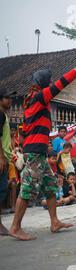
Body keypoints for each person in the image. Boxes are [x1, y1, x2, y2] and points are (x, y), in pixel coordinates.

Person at [9, 55, 76, 240]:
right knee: (27, 189)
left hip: (37, 152)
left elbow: (25, 130)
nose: (51, 84)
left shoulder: (31, 101)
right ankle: (16, 227)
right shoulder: (40, 97)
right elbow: (62, 82)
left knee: (50, 186)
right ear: (43, 84)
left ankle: (54, 221)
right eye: (48, 82)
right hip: (34, 153)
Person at [0, 89, 15, 235]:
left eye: (10, 98)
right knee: (2, 189)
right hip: (1, 158)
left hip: (5, 157)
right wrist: (1, 157)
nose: (10, 100)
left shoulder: (4, 115)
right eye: (6, 97)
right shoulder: (0, 115)